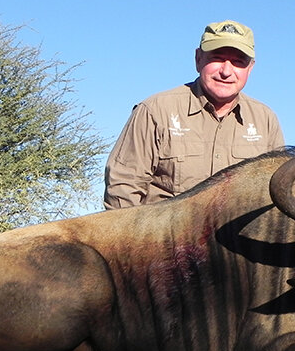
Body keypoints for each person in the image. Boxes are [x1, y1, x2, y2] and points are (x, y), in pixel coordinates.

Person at [104, 20, 284, 209]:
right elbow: (122, 189)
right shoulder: (155, 110)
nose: (226, 71)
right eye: (217, 58)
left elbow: (277, 197)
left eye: (238, 62)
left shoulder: (266, 120)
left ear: (250, 68)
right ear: (198, 59)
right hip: (165, 236)